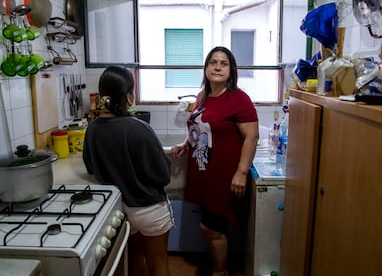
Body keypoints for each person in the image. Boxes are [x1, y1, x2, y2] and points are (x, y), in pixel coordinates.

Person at [171, 46, 259, 276]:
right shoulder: (203, 96)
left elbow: (252, 136)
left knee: (211, 228)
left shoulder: (239, 99)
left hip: (224, 175)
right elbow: (201, 128)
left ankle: (220, 272)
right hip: (204, 174)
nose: (217, 67)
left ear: (231, 70)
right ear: (206, 67)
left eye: (224, 63)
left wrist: (241, 172)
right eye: (213, 62)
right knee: (210, 226)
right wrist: (185, 143)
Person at [82, 66, 173, 276]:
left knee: (133, 263)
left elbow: (90, 167)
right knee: (158, 264)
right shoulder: (140, 128)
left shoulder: (93, 128)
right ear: (129, 97)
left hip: (119, 210)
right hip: (150, 210)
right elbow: (163, 175)